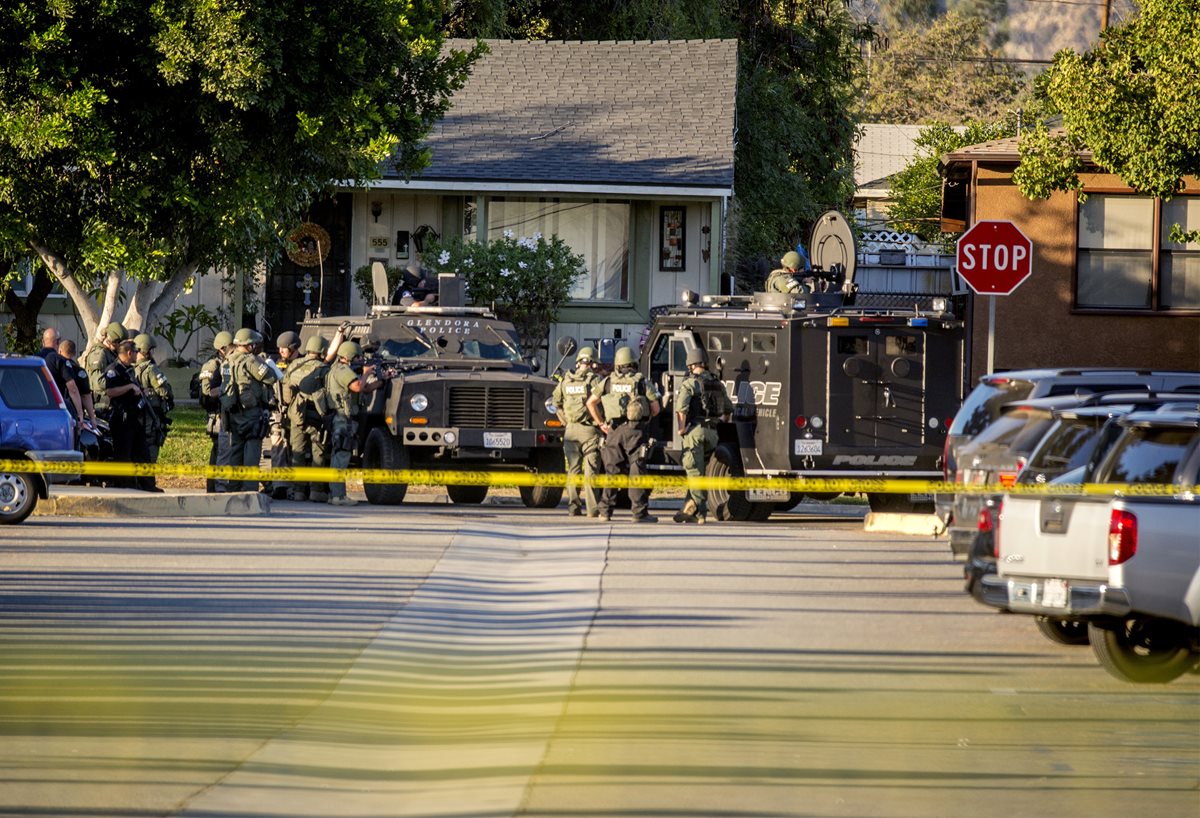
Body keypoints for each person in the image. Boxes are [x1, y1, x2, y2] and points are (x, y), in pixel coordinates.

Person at [587, 345, 661, 523]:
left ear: (618, 364)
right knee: (637, 471)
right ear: (633, 363)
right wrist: (645, 418)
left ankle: (605, 512)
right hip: (635, 431)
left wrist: (601, 424)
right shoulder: (641, 381)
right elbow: (656, 408)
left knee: (612, 471)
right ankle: (639, 513)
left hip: (613, 431)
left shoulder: (607, 382)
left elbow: (591, 403)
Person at [673, 347, 733, 525]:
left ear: (691, 364)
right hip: (713, 433)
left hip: (695, 432)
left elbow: (681, 410)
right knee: (701, 473)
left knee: (693, 472)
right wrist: (719, 423)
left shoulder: (690, 384)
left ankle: (700, 511)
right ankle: (688, 510)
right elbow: (728, 410)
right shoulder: (717, 383)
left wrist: (681, 429)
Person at [324, 340, 387, 506]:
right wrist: (366, 373)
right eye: (358, 357)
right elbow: (359, 386)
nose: (360, 360)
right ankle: (338, 496)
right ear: (349, 356)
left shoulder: (338, 369)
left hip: (342, 417)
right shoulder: (343, 370)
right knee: (342, 455)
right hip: (342, 418)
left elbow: (363, 388)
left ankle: (335, 494)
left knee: (339, 455)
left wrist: (381, 381)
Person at [224, 328, 280, 492]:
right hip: (251, 413)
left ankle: (233, 487)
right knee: (252, 451)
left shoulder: (228, 361)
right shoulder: (251, 361)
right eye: (254, 344)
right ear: (248, 345)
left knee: (236, 450)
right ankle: (249, 488)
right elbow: (271, 377)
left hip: (233, 412)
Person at [551, 346, 602, 517]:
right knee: (591, 471)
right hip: (590, 431)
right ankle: (593, 509)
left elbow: (555, 402)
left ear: (579, 361)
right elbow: (601, 403)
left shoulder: (565, 380)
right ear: (593, 363)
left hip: (570, 431)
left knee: (573, 470)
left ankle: (573, 508)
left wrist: (566, 421)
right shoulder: (595, 380)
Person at [284, 335, 334, 502]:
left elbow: (285, 392)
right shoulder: (324, 369)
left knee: (297, 453)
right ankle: (316, 490)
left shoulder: (294, 365)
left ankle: (298, 491)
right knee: (318, 453)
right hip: (316, 417)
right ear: (322, 351)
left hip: (296, 415)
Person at [104, 339, 157, 491]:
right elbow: (110, 391)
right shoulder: (114, 370)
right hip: (122, 419)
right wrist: (129, 387)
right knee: (123, 455)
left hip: (134, 418)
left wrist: (140, 391)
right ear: (129, 353)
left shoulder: (130, 369)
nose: (137, 354)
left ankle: (147, 485)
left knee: (142, 452)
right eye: (135, 352)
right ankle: (124, 485)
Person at [133, 333, 174, 491]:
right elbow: (165, 390)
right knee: (151, 448)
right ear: (146, 350)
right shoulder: (151, 369)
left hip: (138, 417)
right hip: (151, 416)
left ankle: (139, 482)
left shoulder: (131, 369)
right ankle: (148, 484)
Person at [264, 331, 302, 499]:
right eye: (279, 348)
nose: (280, 351)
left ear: (293, 348)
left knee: (296, 449)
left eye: (284, 348)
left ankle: (297, 486)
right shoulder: (276, 363)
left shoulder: (303, 363)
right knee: (278, 446)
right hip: (278, 412)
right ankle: (279, 485)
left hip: (297, 412)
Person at [199, 331, 234, 492]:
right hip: (217, 415)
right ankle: (213, 487)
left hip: (224, 413)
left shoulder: (227, 363)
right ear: (222, 349)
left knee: (220, 451)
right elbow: (207, 393)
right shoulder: (213, 365)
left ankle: (214, 485)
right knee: (218, 451)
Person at [85, 321, 126, 418]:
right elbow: (98, 383)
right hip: (101, 406)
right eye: (118, 342)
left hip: (112, 405)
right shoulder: (99, 354)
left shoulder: (110, 353)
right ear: (112, 340)